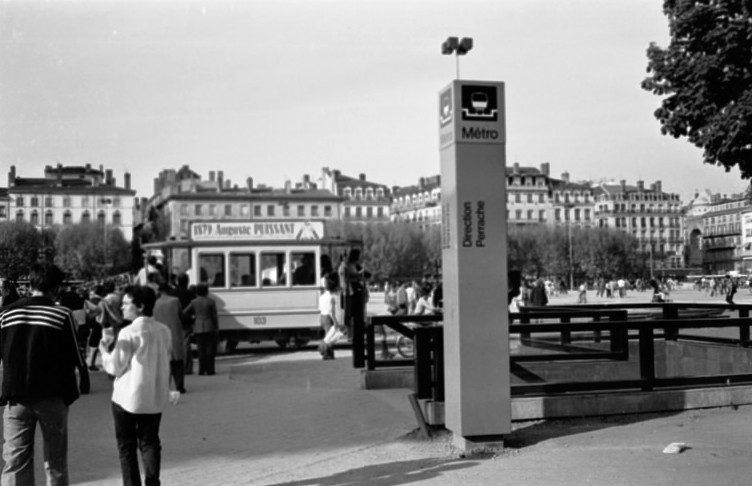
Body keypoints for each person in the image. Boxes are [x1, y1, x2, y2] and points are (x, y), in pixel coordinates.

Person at [0, 262, 89, 486]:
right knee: (55, 461)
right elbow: (75, 358)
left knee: (15, 460)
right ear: (57, 288)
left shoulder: (6, 314)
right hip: (52, 396)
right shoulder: (62, 314)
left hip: (16, 397)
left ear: (30, 285)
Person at [99, 285, 172, 486]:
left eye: (126, 303)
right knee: (150, 442)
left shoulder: (128, 332)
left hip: (127, 398)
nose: (122, 308)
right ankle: (152, 481)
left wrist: (104, 352)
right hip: (154, 396)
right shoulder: (164, 331)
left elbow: (115, 366)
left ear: (139, 306)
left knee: (127, 447)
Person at [154, 283, 187, 393]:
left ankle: (165, 387)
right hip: (174, 333)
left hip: (161, 335)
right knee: (178, 362)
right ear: (169, 290)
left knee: (165, 363)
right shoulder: (175, 301)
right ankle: (180, 386)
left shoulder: (156, 303)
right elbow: (181, 316)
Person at [182, 283, 219, 376]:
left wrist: (194, 318)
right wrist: (216, 326)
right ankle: (210, 370)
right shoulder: (211, 301)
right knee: (210, 350)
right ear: (206, 291)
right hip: (209, 325)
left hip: (198, 326)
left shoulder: (194, 302)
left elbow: (185, 312)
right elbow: (214, 316)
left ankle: (201, 370)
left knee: (201, 350)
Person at [317, 274, 340, 360]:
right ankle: (325, 352)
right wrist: (335, 321)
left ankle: (329, 353)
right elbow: (332, 311)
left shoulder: (323, 296)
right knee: (329, 336)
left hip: (322, 316)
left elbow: (320, 307)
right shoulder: (332, 297)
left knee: (327, 335)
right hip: (328, 316)